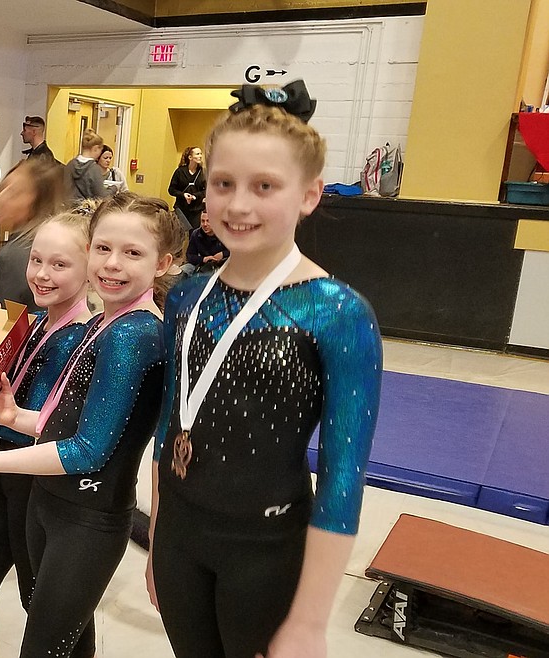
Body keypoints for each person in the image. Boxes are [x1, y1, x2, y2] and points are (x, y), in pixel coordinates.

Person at [147, 81, 383, 658]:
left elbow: (342, 476)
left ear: (309, 194)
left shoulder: (338, 313)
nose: (238, 205)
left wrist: (309, 621)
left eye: (264, 186)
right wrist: (156, 541)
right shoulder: (186, 297)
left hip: (265, 550)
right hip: (179, 536)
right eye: (223, 184)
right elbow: (166, 428)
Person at [0, 192, 182, 658]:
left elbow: (88, 449)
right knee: (68, 643)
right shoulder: (108, 323)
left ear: (162, 263)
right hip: (50, 506)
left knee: (46, 647)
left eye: (132, 253)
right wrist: (16, 418)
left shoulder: (135, 333)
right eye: (104, 249)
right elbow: (64, 418)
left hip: (87, 517)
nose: (112, 265)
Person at [0, 211, 93, 658]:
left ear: (91, 268)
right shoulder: (33, 324)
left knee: (47, 611)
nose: (41, 274)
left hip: (45, 491)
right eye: (36, 261)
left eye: (59, 265)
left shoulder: (89, 338)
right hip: (4, 483)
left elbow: (65, 430)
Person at [0, 157, 66, 313]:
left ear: (35, 202)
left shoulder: (18, 254)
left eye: (14, 193)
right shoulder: (55, 242)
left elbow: (8, 320)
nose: (0, 199)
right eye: (2, 189)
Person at [64, 130, 112, 203]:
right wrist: (113, 189)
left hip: (68, 209)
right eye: (100, 150)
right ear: (95, 148)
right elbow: (101, 196)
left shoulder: (70, 164)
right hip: (86, 210)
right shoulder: (94, 169)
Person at [167, 146, 206, 230]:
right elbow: (171, 190)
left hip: (196, 209)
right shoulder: (179, 171)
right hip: (181, 208)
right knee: (180, 233)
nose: (200, 156)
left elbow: (206, 190)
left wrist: (195, 196)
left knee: (194, 233)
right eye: (197, 154)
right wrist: (183, 195)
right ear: (190, 157)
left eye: (201, 154)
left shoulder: (203, 172)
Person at [182, 207, 228, 274]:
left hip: (223, 265)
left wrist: (223, 254)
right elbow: (190, 256)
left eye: (208, 221)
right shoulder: (196, 234)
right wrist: (204, 259)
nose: (205, 224)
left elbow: (237, 251)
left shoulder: (225, 233)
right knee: (184, 269)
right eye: (203, 221)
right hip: (203, 265)